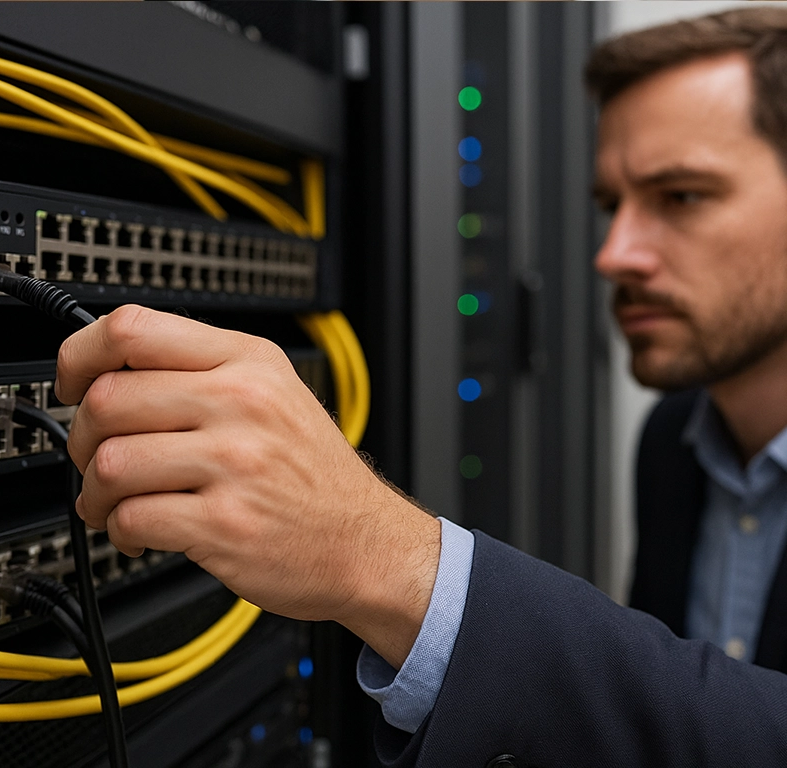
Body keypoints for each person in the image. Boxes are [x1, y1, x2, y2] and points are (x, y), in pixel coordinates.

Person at [55, 8, 787, 765]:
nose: (614, 253)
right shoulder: (677, 440)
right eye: (612, 207)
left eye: (683, 197)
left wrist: (382, 556)